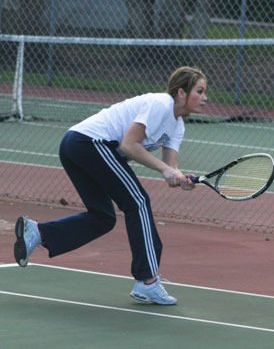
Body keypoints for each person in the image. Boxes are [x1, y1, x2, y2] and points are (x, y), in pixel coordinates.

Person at [13, 66, 208, 305]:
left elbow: (170, 166)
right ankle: (148, 281)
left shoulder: (177, 126)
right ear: (181, 93)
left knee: (103, 216)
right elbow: (128, 145)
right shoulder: (160, 105)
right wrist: (166, 170)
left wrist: (180, 178)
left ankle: (39, 232)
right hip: (88, 143)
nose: (205, 98)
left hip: (77, 146)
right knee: (138, 201)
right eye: (199, 91)